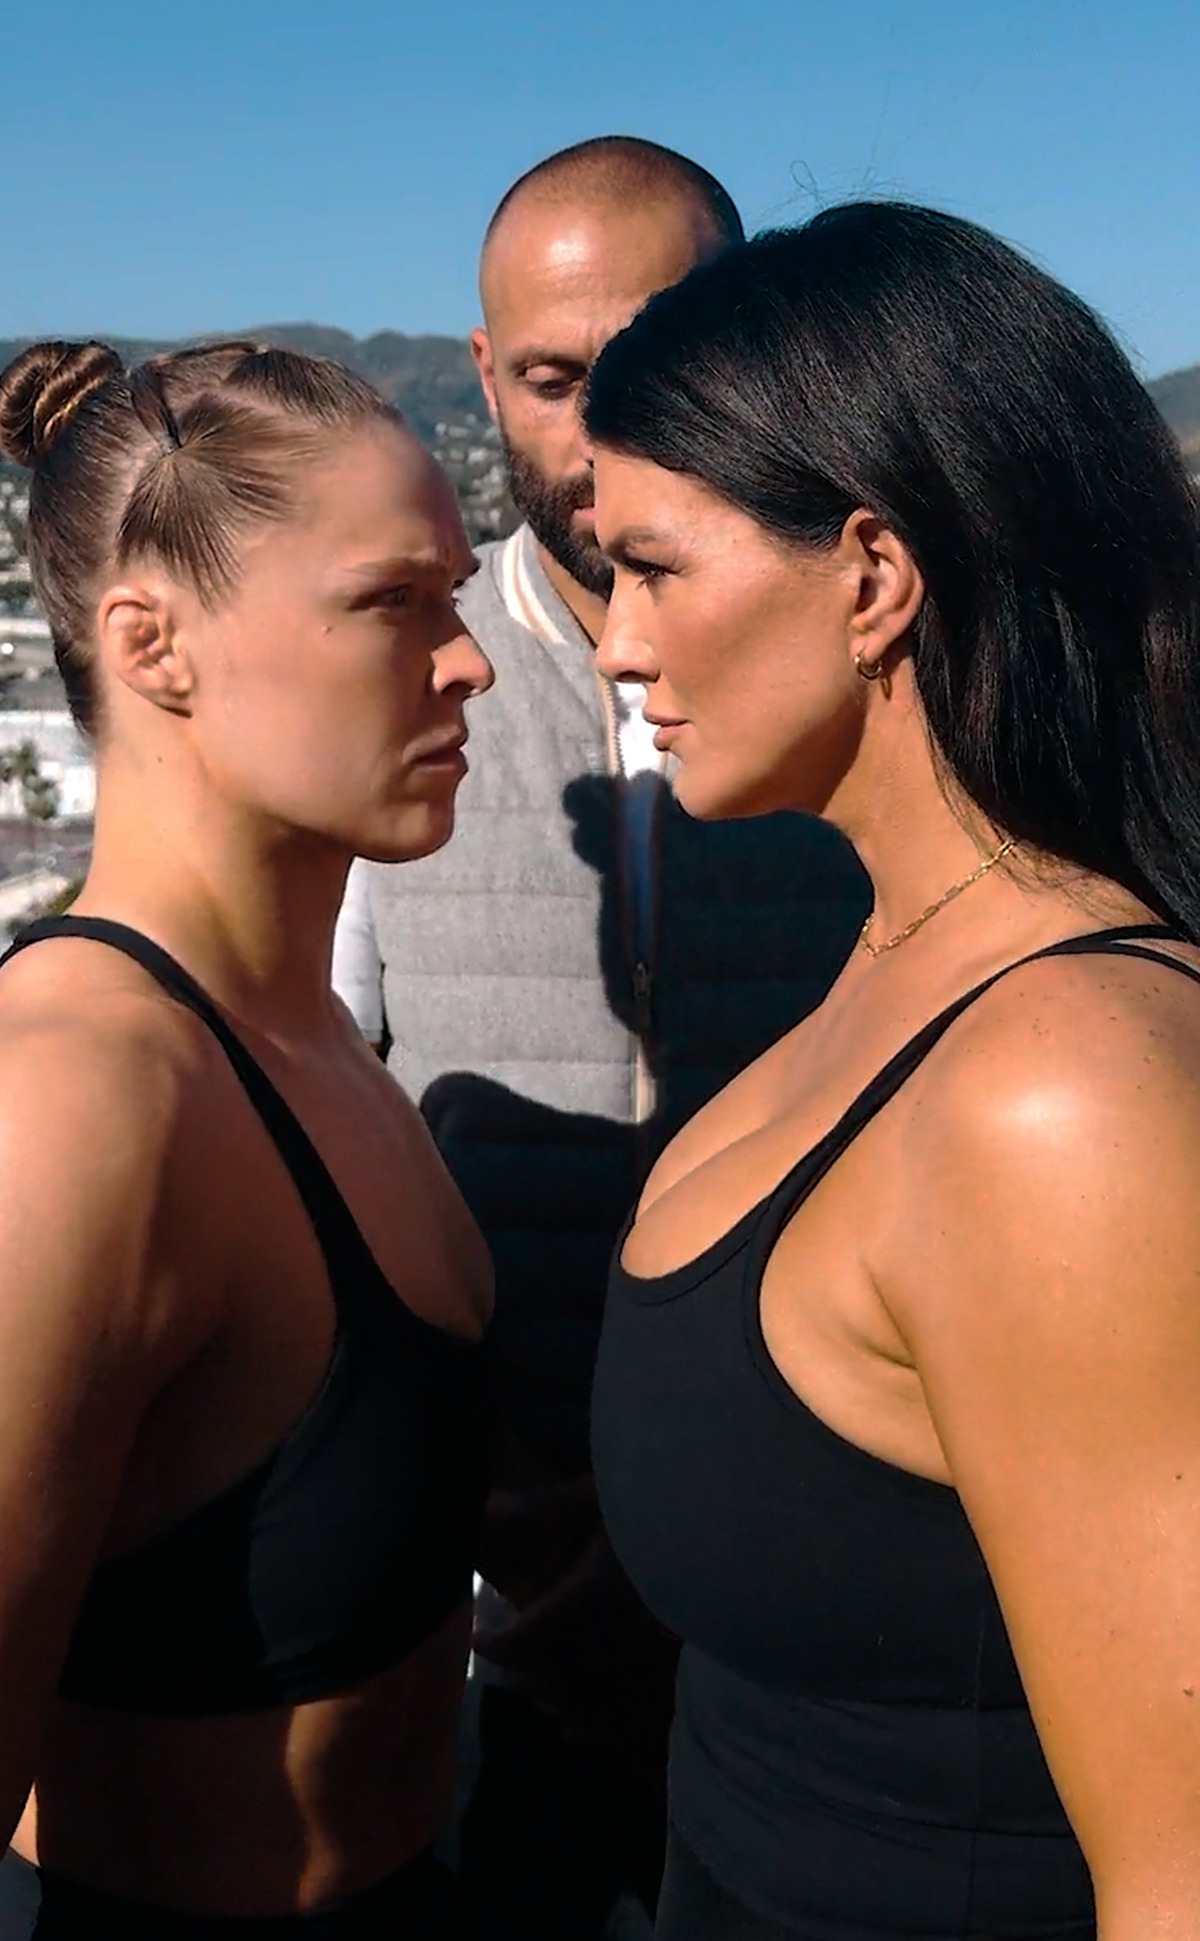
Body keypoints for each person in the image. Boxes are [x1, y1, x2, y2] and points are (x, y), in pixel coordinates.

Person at [586, 198, 1200, 1940]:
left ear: (872, 575)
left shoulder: (1063, 1089)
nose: (617, 643)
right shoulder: (898, 958)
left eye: (654, 566)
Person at [332, 137, 870, 1938]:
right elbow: (319, 1131)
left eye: (660, 356)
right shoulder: (382, 693)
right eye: (555, 378)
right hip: (492, 1616)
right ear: (487, 380)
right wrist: (500, 1513)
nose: (602, 428)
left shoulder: (897, 684)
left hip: (814, 1600)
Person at [0, 337, 495, 1938]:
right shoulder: (76, 1102)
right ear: (153, 644)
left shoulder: (312, 1042)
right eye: (392, 601)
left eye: (455, 594)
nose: (468, 662)